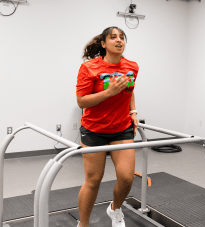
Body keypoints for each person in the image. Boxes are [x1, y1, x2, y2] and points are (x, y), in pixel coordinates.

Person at [76, 26, 139, 227]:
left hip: (121, 129)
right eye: (113, 38)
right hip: (94, 130)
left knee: (127, 178)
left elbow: (129, 91)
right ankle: (83, 224)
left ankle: (115, 209)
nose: (119, 40)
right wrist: (107, 93)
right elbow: (81, 101)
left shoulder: (132, 66)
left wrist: (133, 112)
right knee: (93, 181)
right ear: (103, 44)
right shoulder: (89, 68)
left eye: (122, 37)